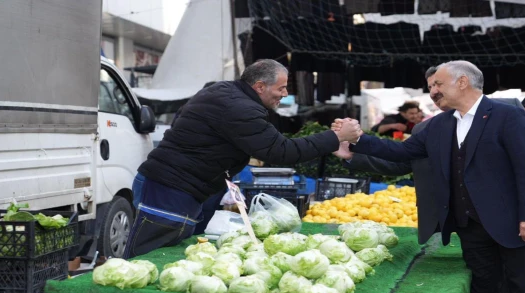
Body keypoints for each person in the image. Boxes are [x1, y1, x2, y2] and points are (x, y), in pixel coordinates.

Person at [334, 61, 525, 293]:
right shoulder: (438, 125)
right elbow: (402, 153)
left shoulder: (507, 116)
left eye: (438, 84)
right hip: (471, 225)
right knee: (485, 292)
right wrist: (357, 141)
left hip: (517, 223)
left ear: (463, 82)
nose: (432, 90)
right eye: (432, 86)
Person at [124, 59, 356, 258]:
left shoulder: (223, 92)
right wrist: (334, 137)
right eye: (282, 88)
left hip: (175, 186)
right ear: (260, 86)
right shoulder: (240, 108)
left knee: (165, 254)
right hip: (170, 190)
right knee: (148, 257)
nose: (285, 94)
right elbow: (281, 151)